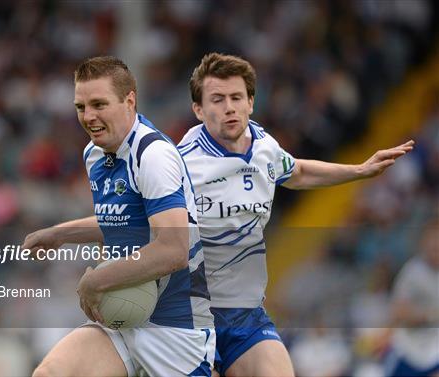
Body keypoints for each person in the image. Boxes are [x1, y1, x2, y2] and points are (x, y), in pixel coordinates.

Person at [177, 52, 414, 377]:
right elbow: (145, 223)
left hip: (245, 315)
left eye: (236, 97)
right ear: (199, 110)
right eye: (217, 99)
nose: (229, 107)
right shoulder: (181, 164)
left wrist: (359, 170)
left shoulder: (262, 145)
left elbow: (298, 171)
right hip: (191, 317)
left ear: (251, 103)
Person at [23, 56, 215, 377]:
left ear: (129, 101)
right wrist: (59, 234)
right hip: (121, 323)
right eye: (81, 107)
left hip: (176, 330)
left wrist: (96, 280)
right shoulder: (94, 153)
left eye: (99, 104)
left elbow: (174, 249)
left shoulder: (152, 155)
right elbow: (123, 221)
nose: (89, 117)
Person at [385, 221, 439, 377]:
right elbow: (398, 312)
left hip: (434, 354)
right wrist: (430, 315)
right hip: (408, 353)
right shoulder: (413, 273)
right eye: (432, 245)